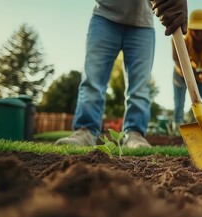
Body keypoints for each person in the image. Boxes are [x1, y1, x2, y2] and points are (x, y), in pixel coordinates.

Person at [55, 0, 188, 147]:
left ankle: (134, 134)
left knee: (140, 87)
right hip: (104, 17)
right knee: (93, 80)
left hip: (143, 24)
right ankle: (85, 131)